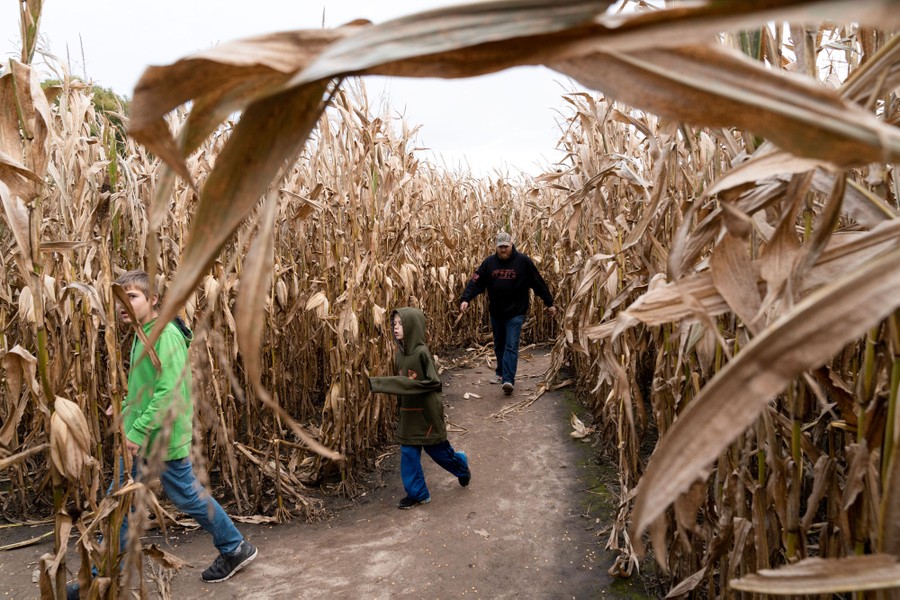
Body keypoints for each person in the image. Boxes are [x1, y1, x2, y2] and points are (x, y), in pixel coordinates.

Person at [69, 270, 257, 598]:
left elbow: (168, 391)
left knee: (179, 496)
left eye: (133, 297)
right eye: (119, 298)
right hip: (150, 435)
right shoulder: (144, 332)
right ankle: (100, 575)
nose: (123, 305)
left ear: (153, 299)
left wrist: (138, 429)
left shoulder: (164, 334)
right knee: (122, 501)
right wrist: (125, 406)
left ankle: (234, 547)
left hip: (159, 438)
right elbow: (147, 386)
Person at [369, 308, 471, 509]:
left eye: (401, 324)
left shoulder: (422, 353)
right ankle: (418, 494)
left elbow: (432, 383)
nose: (396, 327)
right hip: (408, 414)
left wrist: (388, 384)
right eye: (394, 324)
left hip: (426, 416)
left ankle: (461, 465)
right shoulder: (399, 355)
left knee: (439, 453)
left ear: (413, 327)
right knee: (408, 453)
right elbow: (402, 385)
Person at [459, 231, 557, 395]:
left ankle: (508, 380)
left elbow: (537, 282)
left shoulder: (523, 262)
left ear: (511, 245)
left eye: (506, 246)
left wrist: (549, 303)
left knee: (511, 345)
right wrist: (466, 299)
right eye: (500, 247)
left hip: (516, 313)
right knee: (500, 345)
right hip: (497, 312)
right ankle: (501, 372)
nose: (503, 250)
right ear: (496, 247)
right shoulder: (489, 263)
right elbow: (476, 282)